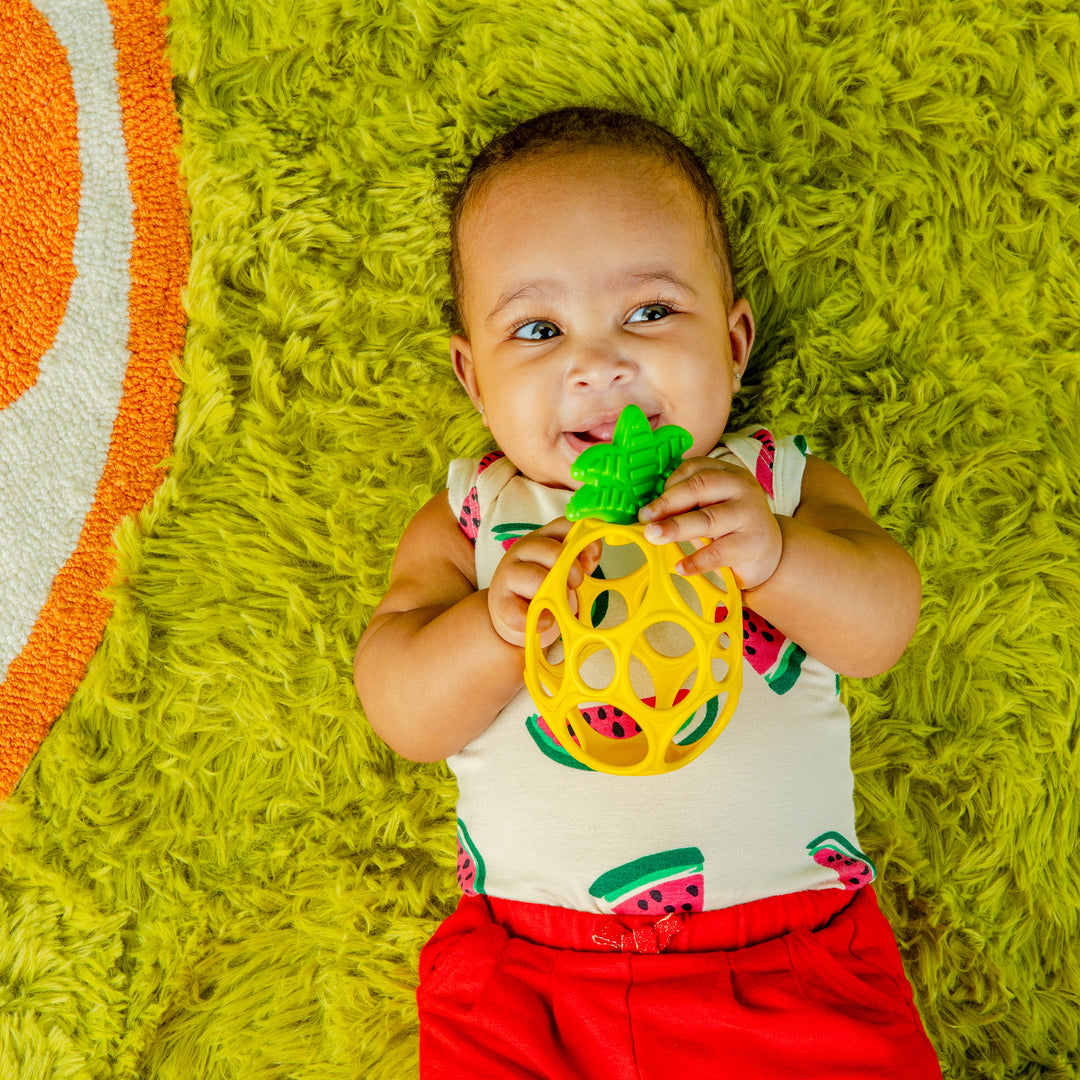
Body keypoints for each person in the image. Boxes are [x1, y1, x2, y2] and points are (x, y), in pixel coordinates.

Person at [354, 106, 941, 1079]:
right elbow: (401, 709)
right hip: (527, 986)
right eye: (537, 330)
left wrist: (778, 558)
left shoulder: (772, 486)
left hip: (790, 968)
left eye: (651, 313)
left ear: (735, 341)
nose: (598, 363)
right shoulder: (478, 515)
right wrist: (494, 627)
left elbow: (882, 625)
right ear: (472, 375)